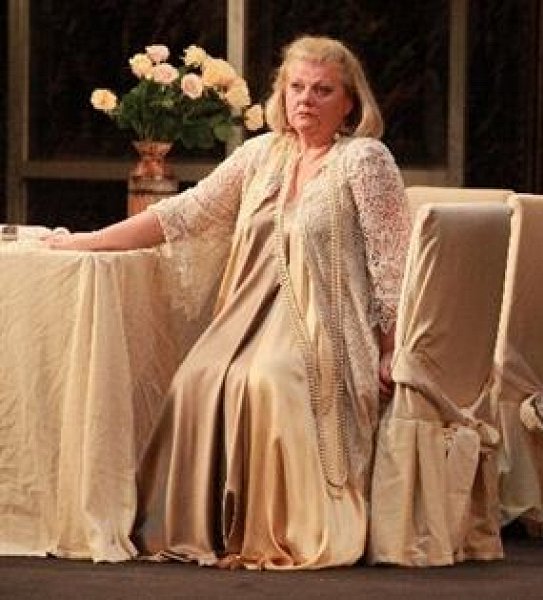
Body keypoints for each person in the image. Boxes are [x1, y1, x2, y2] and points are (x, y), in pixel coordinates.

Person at [49, 35, 410, 569]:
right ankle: (207, 530)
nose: (306, 99)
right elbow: (185, 212)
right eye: (296, 87)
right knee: (195, 378)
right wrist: (91, 240)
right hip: (249, 313)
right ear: (281, 94)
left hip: (330, 324)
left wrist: (392, 345)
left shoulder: (364, 159)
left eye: (323, 90)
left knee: (269, 381)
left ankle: (284, 530)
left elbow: (393, 262)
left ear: (350, 103)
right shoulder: (263, 153)